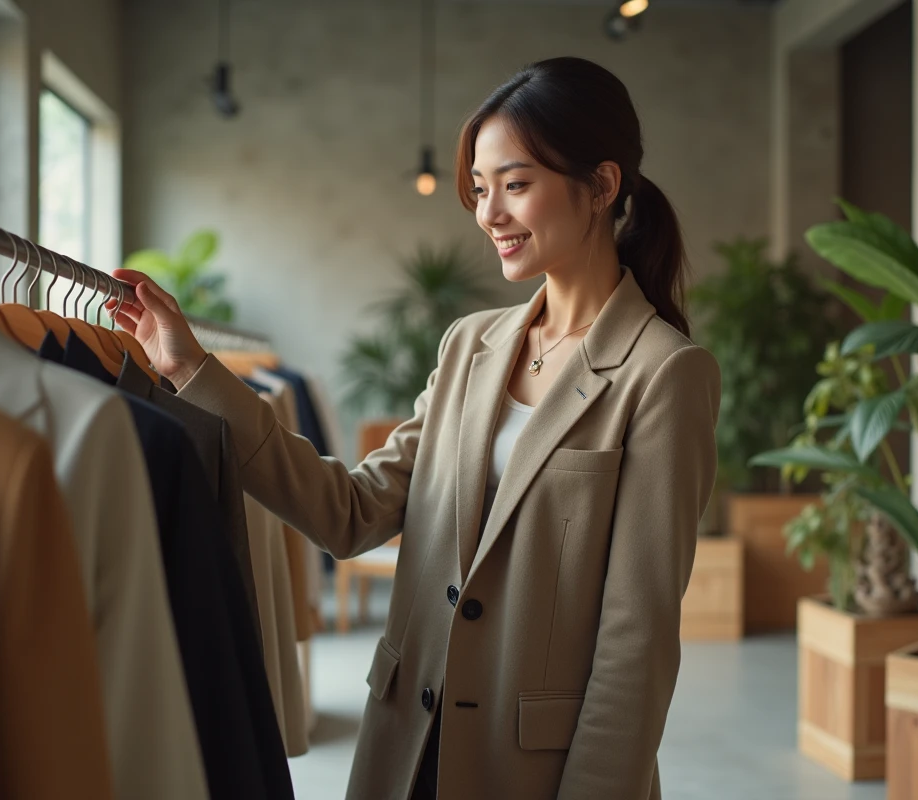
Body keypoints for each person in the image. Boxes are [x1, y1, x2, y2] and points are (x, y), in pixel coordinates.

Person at [109, 56, 721, 800]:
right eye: (479, 189)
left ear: (601, 185)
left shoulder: (664, 372)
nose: (488, 214)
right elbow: (352, 512)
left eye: (516, 185)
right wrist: (192, 372)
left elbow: (636, 644)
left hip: (533, 773)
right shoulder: (471, 345)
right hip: (408, 750)